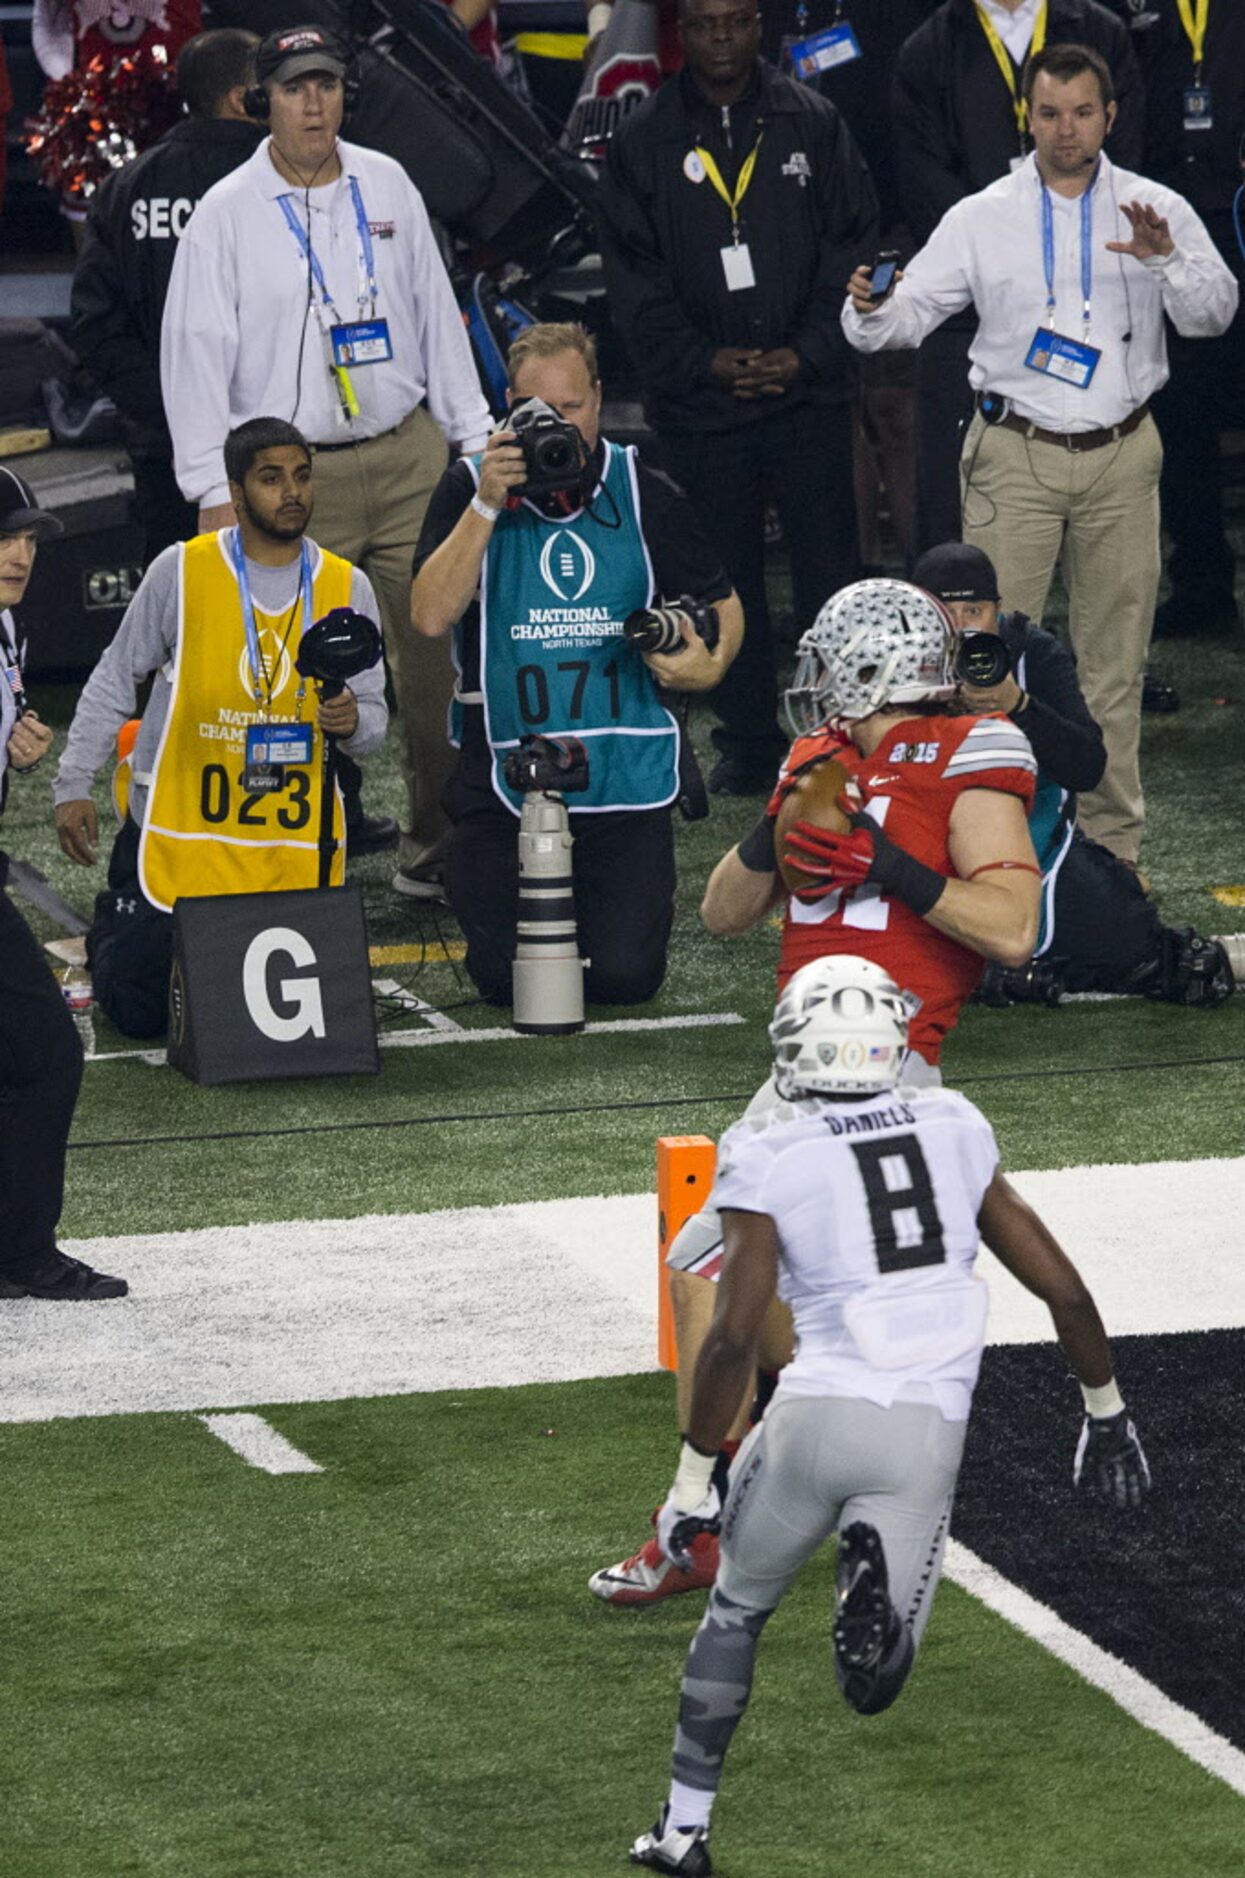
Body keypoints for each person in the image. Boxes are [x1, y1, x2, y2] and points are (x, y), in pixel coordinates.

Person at [628, 952, 1150, 1875]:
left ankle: (682, 1829)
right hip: (922, 1431)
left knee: (735, 1611)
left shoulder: (768, 1149)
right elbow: (1062, 1290)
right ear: (889, 1043)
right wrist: (1103, 1410)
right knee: (873, 1682)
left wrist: (689, 1479)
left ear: (794, 1049)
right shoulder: (952, 1124)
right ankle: (865, 1588)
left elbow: (733, 1335)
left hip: (814, 1413)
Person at [590, 575, 1040, 1604]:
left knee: (706, 1267)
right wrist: (777, 830)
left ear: (873, 665)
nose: (814, 686)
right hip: (804, 1073)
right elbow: (721, 913)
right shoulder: (820, 756)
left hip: (877, 1068)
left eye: (832, 665)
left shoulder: (973, 751)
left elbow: (1012, 930)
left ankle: (696, 1517)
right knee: (794, 1299)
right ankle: (800, 1471)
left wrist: (891, 863)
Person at [843, 43, 1238, 867]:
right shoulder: (979, 215)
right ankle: (981, 861)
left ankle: (1112, 863)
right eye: (1050, 113)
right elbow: (897, 322)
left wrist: (1163, 258)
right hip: (1012, 457)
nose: (1066, 130)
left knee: (1112, 675)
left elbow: (1213, 315)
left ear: (1110, 115)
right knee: (980, 667)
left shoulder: (1151, 207)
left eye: (1082, 113)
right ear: (1028, 115)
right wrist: (868, 306)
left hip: (1121, 457)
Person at [160, 22, 492, 902]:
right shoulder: (225, 214)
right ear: (262, 97)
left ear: (347, 93)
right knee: (281, 683)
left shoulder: (388, 183)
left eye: (329, 86)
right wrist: (210, 491)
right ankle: (288, 863)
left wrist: (473, 436)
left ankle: (437, 857)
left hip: (408, 455)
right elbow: (192, 355)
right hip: (288, 478)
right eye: (297, 88)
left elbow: (434, 314)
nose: (315, 104)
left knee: (435, 671)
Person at [411, 320, 742, 1008]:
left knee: (624, 978)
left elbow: (726, 603)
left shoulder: (639, 484)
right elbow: (429, 615)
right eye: (537, 410)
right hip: (502, 773)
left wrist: (707, 669)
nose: (558, 425)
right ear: (508, 406)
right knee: (507, 981)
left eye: (572, 408)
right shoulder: (469, 487)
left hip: (619, 774)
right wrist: (486, 502)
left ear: (597, 398)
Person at [594, 0, 877, 796]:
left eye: (736, 22)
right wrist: (704, 362)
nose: (721, 39)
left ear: (760, 26)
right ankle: (748, 741)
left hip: (806, 398)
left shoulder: (813, 122)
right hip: (700, 408)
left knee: (829, 573)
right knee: (721, 580)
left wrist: (804, 353)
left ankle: (843, 731)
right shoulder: (642, 140)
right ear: (682, 33)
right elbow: (630, 279)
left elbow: (854, 247)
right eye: (705, 24)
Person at [52, 418, 386, 1039]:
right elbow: (113, 678)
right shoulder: (180, 571)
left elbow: (373, 727)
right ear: (236, 494)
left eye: (301, 476)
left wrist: (353, 721)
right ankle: (112, 930)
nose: (292, 492)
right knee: (141, 1011)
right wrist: (73, 783)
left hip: (289, 852)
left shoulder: (348, 585)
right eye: (270, 478)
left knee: (282, 1024)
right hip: (183, 838)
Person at [914, 540, 1235, 1004]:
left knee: (1140, 949)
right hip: (925, 864)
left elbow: (1086, 767)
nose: (962, 628)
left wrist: (1019, 705)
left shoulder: (1031, 655)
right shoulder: (893, 663)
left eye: (975, 610)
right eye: (945, 613)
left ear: (998, 614)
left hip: (1034, 859)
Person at [891, 1, 1143, 552]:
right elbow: (921, 175)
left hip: (1086, 302)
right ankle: (959, 630)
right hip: (968, 314)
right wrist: (1004, 262)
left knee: (1105, 514)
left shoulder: (1101, 32)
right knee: (952, 508)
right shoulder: (927, 49)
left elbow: (1124, 162)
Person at [0, 468, 127, 1301]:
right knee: (45, 1053)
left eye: (28, 540)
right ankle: (23, 1253)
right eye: (4, 537)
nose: (19, 555)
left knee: (33, 1054)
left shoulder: (7, 627)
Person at [70, 29, 262, 567]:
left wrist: (174, 410)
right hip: (277, 443)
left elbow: (93, 324)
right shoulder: (282, 180)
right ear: (240, 97)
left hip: (166, 452)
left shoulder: (127, 184)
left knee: (183, 616)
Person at [1116, 0, 1245, 639]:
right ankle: (1201, 584)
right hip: (1165, 229)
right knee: (1181, 417)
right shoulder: (1130, 9)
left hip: (1240, 211)